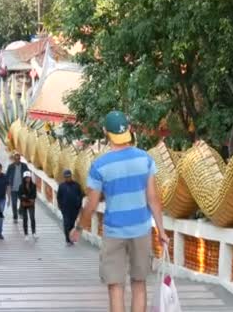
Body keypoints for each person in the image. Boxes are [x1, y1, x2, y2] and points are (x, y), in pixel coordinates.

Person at [69, 110, 169, 312]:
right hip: (141, 230)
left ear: (106, 132)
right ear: (129, 130)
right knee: (139, 284)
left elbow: (92, 204)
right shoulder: (145, 159)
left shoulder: (100, 166)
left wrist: (78, 228)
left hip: (114, 232)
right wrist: (161, 231)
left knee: (116, 287)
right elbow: (153, 198)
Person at [57, 169, 83, 246]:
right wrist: (61, 206)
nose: (67, 178)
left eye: (69, 176)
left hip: (74, 209)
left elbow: (80, 196)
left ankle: (71, 238)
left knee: (72, 224)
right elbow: (59, 197)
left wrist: (79, 205)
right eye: (66, 177)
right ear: (64, 177)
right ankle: (67, 240)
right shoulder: (61, 186)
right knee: (66, 223)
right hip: (65, 209)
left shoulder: (77, 185)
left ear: (71, 176)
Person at [6, 152, 29, 223]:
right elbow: (7, 176)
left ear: (20, 159)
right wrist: (7, 185)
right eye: (15, 159)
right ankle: (15, 216)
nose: (17, 160)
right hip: (13, 188)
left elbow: (28, 175)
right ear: (14, 159)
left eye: (18, 159)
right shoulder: (10, 166)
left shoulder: (24, 166)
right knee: (14, 203)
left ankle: (20, 211)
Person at [18, 171, 37, 240]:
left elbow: (34, 195)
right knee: (25, 219)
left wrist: (25, 197)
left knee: (32, 218)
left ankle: (34, 232)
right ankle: (26, 234)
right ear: (24, 178)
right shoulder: (21, 186)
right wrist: (27, 198)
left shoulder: (33, 185)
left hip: (31, 204)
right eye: (26, 178)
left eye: (28, 177)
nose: (27, 179)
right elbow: (20, 195)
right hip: (24, 204)